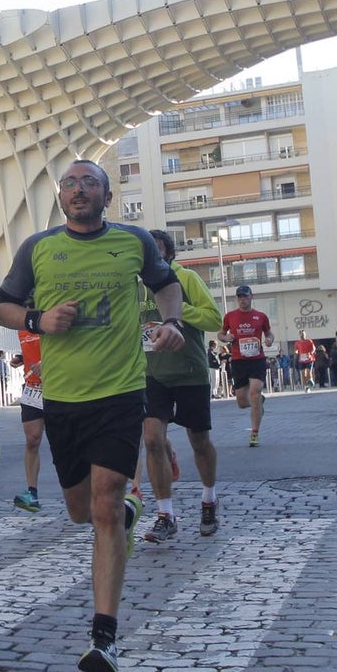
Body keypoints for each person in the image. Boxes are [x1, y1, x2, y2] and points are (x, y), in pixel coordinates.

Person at [0, 160, 185, 672]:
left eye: (90, 183)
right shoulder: (37, 247)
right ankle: (124, 513)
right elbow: (4, 305)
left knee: (104, 504)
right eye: (70, 184)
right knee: (81, 511)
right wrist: (38, 320)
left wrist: (171, 321)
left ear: (107, 195)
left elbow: (167, 286)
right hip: (61, 397)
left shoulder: (133, 241)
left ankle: (104, 637)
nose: (79, 190)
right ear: (60, 196)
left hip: (120, 392)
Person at [137, 229, 222, 543]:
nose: (152, 257)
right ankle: (166, 514)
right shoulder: (135, 286)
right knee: (152, 440)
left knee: (199, 440)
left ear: (169, 254)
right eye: (146, 252)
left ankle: (209, 499)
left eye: (157, 251)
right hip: (150, 374)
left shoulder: (185, 279)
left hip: (189, 371)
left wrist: (174, 309)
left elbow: (214, 320)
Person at [218, 285, 273, 446]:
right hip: (238, 361)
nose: (242, 300)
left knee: (254, 392)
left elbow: (269, 333)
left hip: (257, 359)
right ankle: (259, 402)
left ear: (251, 297)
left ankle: (254, 433)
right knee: (242, 402)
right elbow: (220, 333)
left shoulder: (261, 316)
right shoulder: (230, 316)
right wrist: (226, 338)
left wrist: (269, 339)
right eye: (240, 297)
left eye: (245, 297)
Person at [10, 325, 45, 512]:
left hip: (59, 385)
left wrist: (47, 362)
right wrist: (21, 357)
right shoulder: (21, 325)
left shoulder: (48, 316)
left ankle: (82, 491)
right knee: (32, 440)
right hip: (32, 389)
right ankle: (32, 493)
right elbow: (31, 347)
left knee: (66, 442)